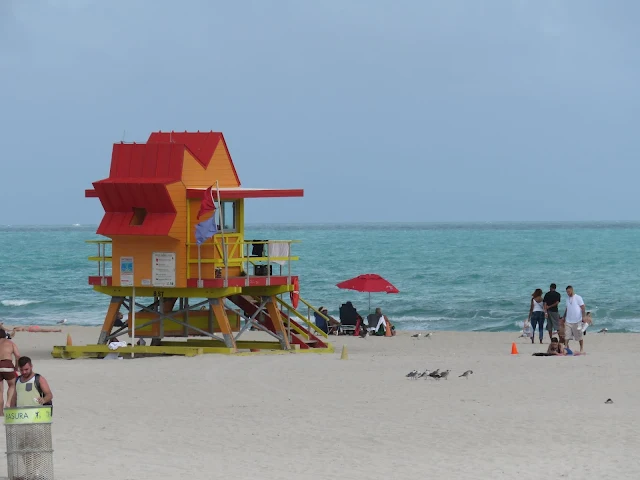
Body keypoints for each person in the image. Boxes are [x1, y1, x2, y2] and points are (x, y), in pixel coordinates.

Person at [0, 328, 20, 414]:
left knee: (0, 391)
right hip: (7, 365)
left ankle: (0, 412)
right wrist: (16, 366)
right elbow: (18, 356)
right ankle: (8, 403)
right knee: (12, 385)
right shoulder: (11, 343)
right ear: (5, 335)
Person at [562, 285, 586, 353]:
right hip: (568, 320)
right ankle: (566, 349)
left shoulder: (578, 297)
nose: (568, 293)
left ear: (572, 290)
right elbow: (567, 308)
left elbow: (583, 307)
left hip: (577, 320)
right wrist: (564, 316)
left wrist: (583, 317)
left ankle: (581, 349)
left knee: (579, 336)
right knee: (566, 336)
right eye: (567, 292)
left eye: (569, 291)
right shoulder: (567, 299)